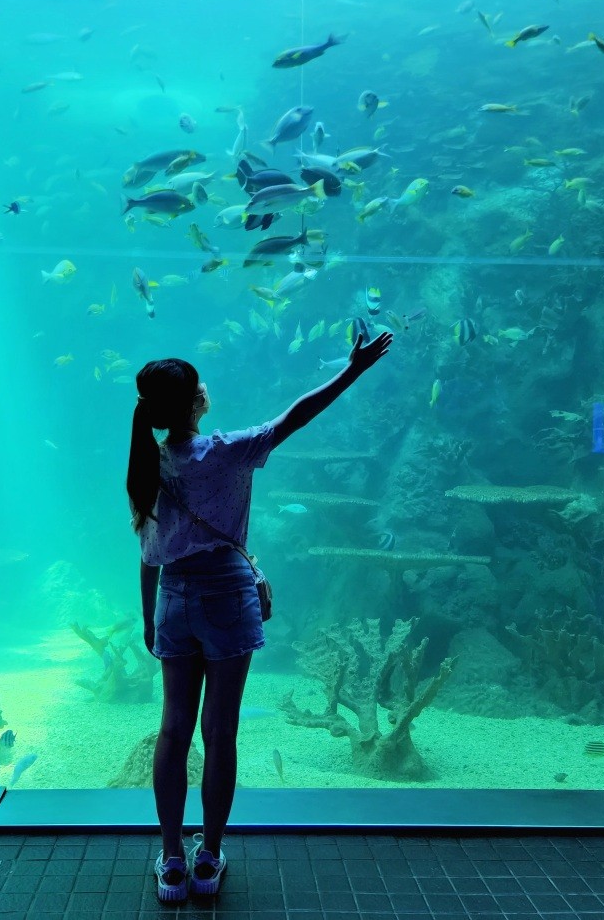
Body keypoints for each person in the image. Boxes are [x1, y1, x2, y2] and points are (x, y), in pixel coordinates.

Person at [126, 331, 393, 904]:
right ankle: (209, 857)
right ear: (197, 402)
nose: (205, 388)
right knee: (220, 732)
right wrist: (353, 371)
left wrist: (150, 619)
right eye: (200, 384)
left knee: (174, 730)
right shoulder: (227, 451)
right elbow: (296, 416)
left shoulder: (147, 464)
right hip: (226, 593)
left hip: (172, 599)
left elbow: (149, 552)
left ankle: (171, 858)